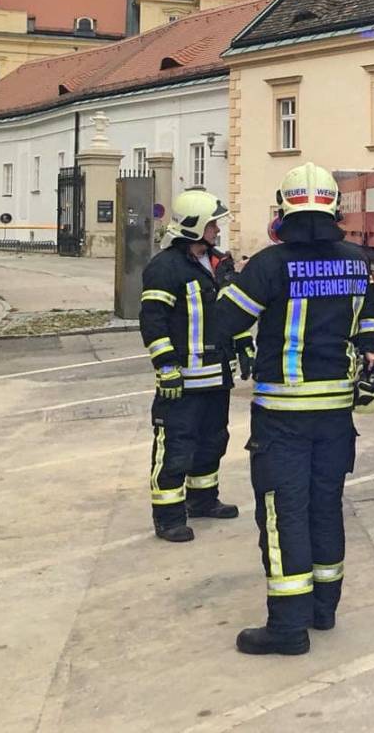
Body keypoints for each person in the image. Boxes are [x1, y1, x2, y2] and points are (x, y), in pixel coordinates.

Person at [214, 162, 374, 656]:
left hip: (282, 417)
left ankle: (288, 628)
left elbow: (226, 322)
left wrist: (228, 285)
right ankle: (323, 609)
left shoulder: (269, 265)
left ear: (284, 210)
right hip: (336, 416)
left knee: (283, 513)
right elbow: (368, 315)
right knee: (325, 507)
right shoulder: (357, 260)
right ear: (334, 207)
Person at [140, 188, 242, 542]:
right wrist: (166, 366)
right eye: (212, 224)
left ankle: (203, 500)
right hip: (181, 380)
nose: (217, 230)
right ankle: (168, 517)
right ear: (195, 226)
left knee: (213, 440)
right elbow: (153, 321)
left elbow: (231, 312)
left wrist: (243, 347)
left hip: (216, 376)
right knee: (176, 446)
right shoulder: (165, 268)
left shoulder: (217, 263)